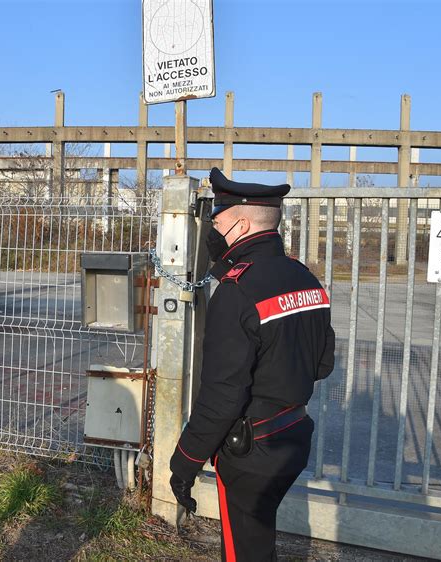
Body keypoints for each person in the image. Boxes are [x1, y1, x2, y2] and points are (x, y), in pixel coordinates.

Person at [169, 167, 335, 562]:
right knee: (259, 540)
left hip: (251, 452)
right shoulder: (306, 279)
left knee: (245, 552)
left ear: (241, 225)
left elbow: (221, 396)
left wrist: (184, 462)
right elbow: (322, 365)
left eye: (219, 221)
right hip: (294, 436)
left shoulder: (237, 291)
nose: (214, 231)